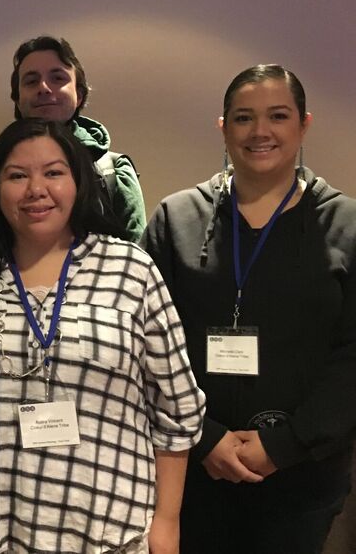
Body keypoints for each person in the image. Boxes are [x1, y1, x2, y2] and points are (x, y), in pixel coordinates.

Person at [0, 118, 205, 554]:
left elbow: (176, 410)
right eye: (17, 175)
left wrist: (167, 522)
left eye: (53, 172)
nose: (35, 189)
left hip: (107, 532)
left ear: (78, 181)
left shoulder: (132, 271)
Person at [142, 65, 356, 553]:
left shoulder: (348, 226)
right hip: (190, 471)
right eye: (243, 118)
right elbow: (144, 342)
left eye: (277, 116)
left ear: (304, 124)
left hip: (304, 477)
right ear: (223, 128)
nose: (260, 132)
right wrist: (204, 437)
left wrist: (284, 446)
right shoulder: (177, 221)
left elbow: (353, 357)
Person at [10, 35, 146, 241]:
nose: (44, 88)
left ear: (79, 95)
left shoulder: (113, 172)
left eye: (58, 78)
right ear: (18, 100)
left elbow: (138, 260)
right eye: (31, 81)